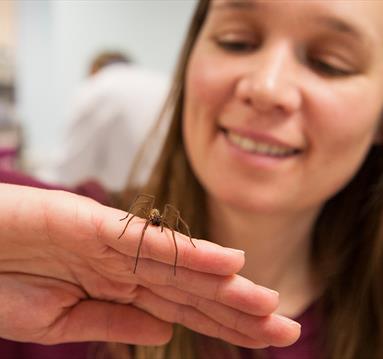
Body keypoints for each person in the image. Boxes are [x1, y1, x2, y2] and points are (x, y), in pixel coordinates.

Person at [0, 0, 382, 358]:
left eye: (331, 63)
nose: (266, 88)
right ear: (187, 62)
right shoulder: (50, 254)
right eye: (237, 42)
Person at [36, 51, 170, 191]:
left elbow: (69, 169)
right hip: (172, 193)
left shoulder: (98, 86)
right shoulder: (161, 82)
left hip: (127, 198)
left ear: (94, 71)